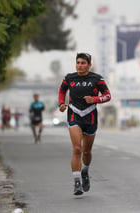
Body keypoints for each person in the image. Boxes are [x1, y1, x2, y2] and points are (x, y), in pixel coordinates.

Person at [58, 53, 111, 195]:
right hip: (74, 113)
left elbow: (107, 95)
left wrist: (95, 99)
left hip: (90, 116)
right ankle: (76, 182)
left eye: (83, 63)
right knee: (77, 149)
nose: (80, 65)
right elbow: (62, 90)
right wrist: (62, 103)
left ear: (89, 65)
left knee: (86, 152)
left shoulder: (97, 79)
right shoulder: (70, 78)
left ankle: (85, 172)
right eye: (78, 62)